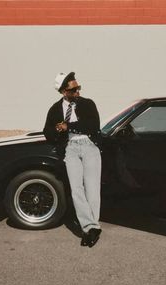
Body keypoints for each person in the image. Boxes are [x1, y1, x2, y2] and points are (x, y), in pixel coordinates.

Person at [43, 72, 102, 247]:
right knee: (76, 189)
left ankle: (92, 227)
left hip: (89, 145)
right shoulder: (55, 109)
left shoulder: (88, 103)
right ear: (63, 91)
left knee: (92, 188)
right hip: (70, 149)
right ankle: (90, 227)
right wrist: (58, 130)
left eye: (79, 87)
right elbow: (47, 132)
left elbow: (94, 125)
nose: (78, 91)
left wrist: (69, 126)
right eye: (73, 89)